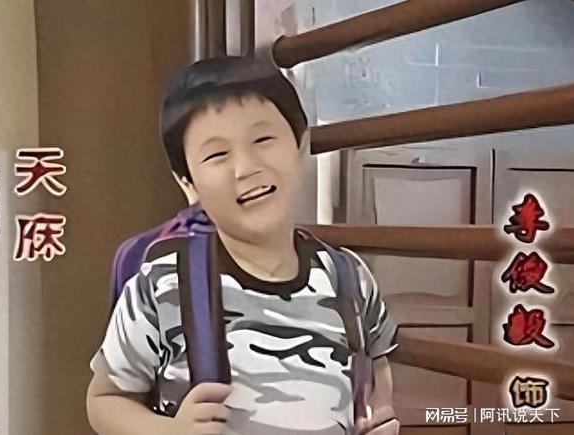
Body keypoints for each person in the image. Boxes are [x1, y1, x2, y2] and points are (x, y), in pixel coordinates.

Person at [86, 56, 398, 435]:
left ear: (301, 147)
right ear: (188, 184)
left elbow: (375, 365)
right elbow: (104, 400)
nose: (246, 168)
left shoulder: (350, 277)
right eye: (217, 155)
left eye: (263, 140)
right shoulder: (163, 285)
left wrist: (378, 413)